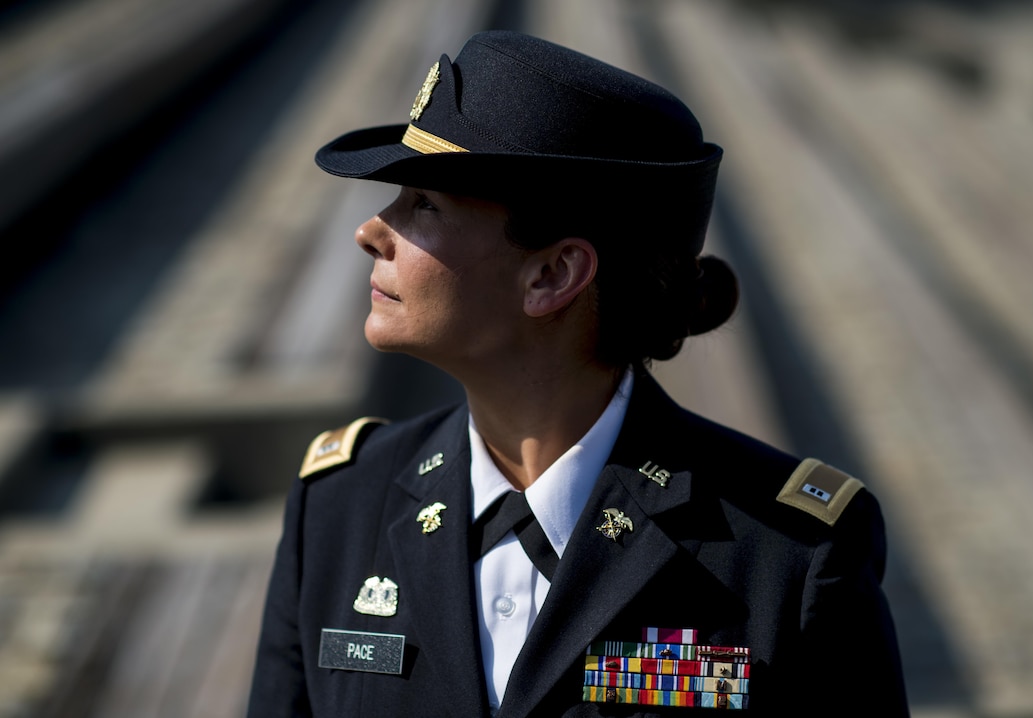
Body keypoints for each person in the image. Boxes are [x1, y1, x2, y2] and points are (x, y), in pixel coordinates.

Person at [246, 30, 908, 716]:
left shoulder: (785, 552)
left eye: (424, 205)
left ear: (552, 275)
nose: (372, 230)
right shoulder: (338, 508)